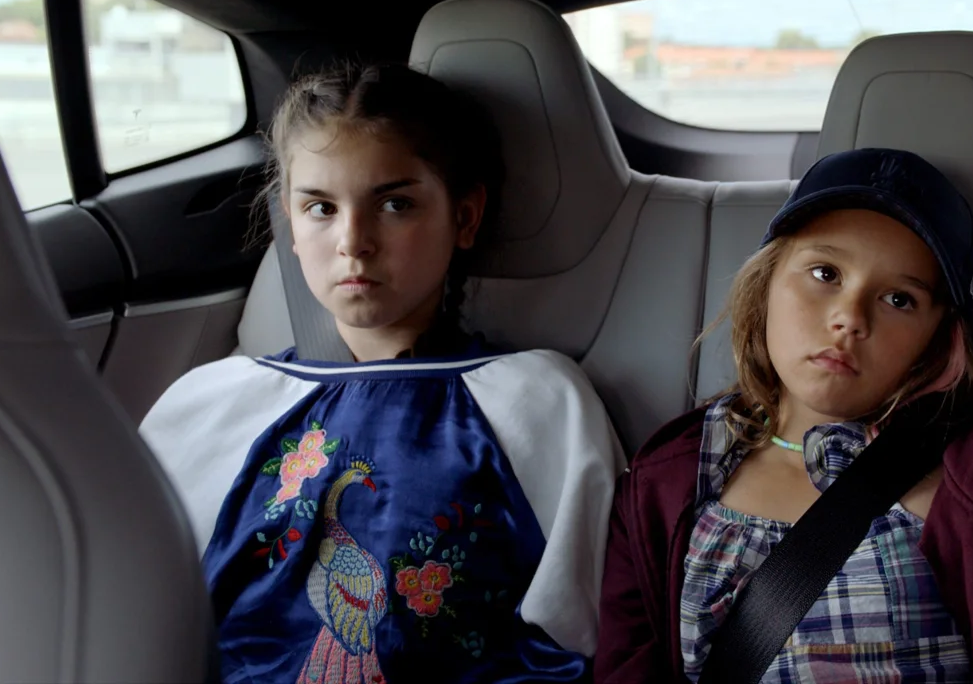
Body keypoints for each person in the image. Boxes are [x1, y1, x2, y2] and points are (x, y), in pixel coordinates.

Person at [140, 61, 625, 683]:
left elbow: (584, 630)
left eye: (395, 204)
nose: (354, 241)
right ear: (290, 224)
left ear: (465, 217)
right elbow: (137, 614)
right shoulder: (207, 406)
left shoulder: (536, 403)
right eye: (320, 208)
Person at [594, 148, 973, 684]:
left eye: (899, 299)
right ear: (766, 284)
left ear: (938, 337)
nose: (849, 317)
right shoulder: (665, 482)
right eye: (825, 273)